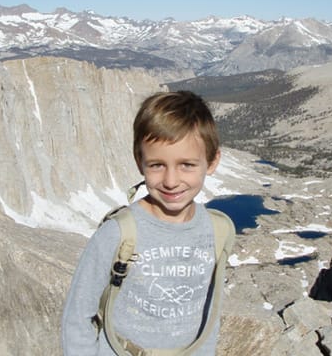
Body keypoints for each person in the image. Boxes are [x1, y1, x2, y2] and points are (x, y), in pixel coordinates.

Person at [61, 90, 234, 355]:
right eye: (156, 165)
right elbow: (78, 313)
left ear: (212, 162)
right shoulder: (118, 232)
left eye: (186, 164)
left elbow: (211, 312)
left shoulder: (217, 231)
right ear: (139, 162)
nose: (171, 180)